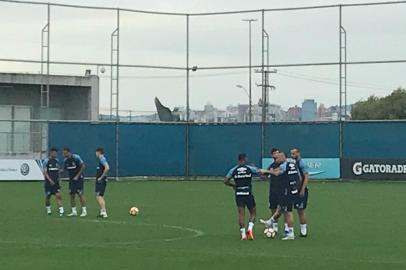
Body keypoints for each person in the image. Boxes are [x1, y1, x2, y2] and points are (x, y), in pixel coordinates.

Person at [260, 152, 301, 240]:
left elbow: (276, 173)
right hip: (293, 190)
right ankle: (270, 221)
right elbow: (298, 177)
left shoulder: (284, 165)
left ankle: (291, 233)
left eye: (277, 158)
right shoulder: (292, 164)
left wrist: (265, 171)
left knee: (288, 212)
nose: (276, 159)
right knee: (281, 208)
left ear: (282, 157)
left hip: (287, 191)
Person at [224, 153, 260, 240]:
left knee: (241, 213)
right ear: (245, 159)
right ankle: (250, 229)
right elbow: (260, 172)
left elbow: (225, 180)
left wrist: (233, 185)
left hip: (239, 194)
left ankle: (243, 234)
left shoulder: (234, 169)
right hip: (248, 193)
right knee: (253, 212)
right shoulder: (249, 168)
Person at [291, 148, 309, 237]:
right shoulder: (294, 163)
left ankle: (303, 229)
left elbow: (306, 176)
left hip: (301, 190)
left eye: (294, 154)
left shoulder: (302, 163)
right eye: (291, 154)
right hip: (294, 189)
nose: (292, 155)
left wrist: (302, 189)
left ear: (298, 153)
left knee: (300, 210)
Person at [63, 148, 87, 217]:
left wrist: (77, 176)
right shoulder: (65, 160)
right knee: (71, 194)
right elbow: (65, 170)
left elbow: (83, 166)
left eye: (64, 153)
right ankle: (74, 211)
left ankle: (84, 211)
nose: (63, 155)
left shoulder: (76, 157)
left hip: (79, 179)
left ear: (68, 153)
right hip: (71, 180)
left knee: (80, 194)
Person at [43, 147, 64, 216]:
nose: (55, 154)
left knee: (58, 195)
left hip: (56, 182)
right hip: (48, 183)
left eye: (56, 153)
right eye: (54, 153)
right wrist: (50, 180)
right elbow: (45, 172)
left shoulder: (57, 161)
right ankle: (48, 209)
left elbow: (58, 172)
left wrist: (60, 180)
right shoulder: (46, 161)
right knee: (48, 196)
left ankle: (61, 210)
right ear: (51, 153)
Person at [95, 147, 110, 218]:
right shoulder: (101, 159)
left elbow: (107, 168)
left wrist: (101, 177)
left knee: (99, 196)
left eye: (96, 152)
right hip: (101, 181)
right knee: (100, 196)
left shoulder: (102, 159)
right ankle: (102, 211)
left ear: (98, 152)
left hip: (101, 181)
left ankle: (104, 212)